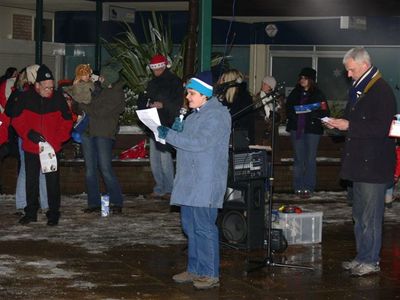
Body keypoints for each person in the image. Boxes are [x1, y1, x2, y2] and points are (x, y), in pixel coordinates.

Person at [325, 47, 396, 276]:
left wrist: (349, 126)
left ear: (364, 65)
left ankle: (371, 260)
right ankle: (362, 256)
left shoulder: (381, 90)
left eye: (351, 69)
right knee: (358, 215)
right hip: (358, 164)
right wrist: (338, 125)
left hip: (373, 166)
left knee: (370, 217)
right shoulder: (359, 88)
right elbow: (352, 121)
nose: (348, 74)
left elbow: (381, 128)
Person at [157, 71, 231, 289]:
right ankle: (195, 269)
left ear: (205, 95)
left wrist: (170, 135)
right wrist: (171, 132)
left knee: (204, 227)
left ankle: (209, 273)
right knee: (190, 226)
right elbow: (184, 142)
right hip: (190, 180)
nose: (187, 97)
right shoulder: (194, 115)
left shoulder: (217, 116)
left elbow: (200, 143)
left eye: (191, 93)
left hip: (205, 181)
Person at [12, 64, 73, 226]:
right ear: (37, 86)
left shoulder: (58, 98)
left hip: (51, 148)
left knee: (52, 182)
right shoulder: (26, 98)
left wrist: (57, 139)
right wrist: (28, 134)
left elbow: (67, 121)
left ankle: (53, 213)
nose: (49, 90)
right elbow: (17, 121)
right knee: (31, 181)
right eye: (46, 87)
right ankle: (30, 212)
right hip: (31, 147)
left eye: (51, 87)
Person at [73, 62, 125, 214]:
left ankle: (116, 201)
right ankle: (93, 202)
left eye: (102, 76)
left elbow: (99, 112)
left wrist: (83, 105)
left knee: (105, 168)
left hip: (104, 133)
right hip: (88, 132)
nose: (99, 78)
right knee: (90, 170)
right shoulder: (97, 88)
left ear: (109, 78)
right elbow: (78, 106)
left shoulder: (116, 93)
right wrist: (78, 90)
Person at [137, 54, 183, 200]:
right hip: (154, 123)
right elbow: (147, 98)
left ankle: (169, 188)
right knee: (155, 159)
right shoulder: (153, 83)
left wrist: (163, 105)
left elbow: (178, 102)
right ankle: (160, 187)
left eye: (158, 68)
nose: (156, 72)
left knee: (164, 158)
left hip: (166, 123)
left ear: (164, 66)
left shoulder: (174, 81)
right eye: (154, 69)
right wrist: (148, 104)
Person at [5, 65, 49, 214]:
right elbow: (11, 112)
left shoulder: (23, 91)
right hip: (27, 136)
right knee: (33, 170)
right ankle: (34, 204)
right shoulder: (24, 93)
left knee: (35, 169)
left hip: (33, 136)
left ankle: (31, 203)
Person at [285, 67, 329, 198]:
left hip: (312, 130)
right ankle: (298, 186)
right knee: (299, 159)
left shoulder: (318, 94)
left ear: (311, 80)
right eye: (301, 78)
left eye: (305, 78)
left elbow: (325, 111)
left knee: (310, 159)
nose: (302, 80)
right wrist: (297, 115)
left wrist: (311, 113)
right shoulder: (294, 93)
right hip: (297, 129)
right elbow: (289, 110)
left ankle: (309, 187)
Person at [216, 69, 255, 144]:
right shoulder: (225, 98)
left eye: (224, 80)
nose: (221, 83)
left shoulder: (244, 98)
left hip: (240, 139)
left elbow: (241, 122)